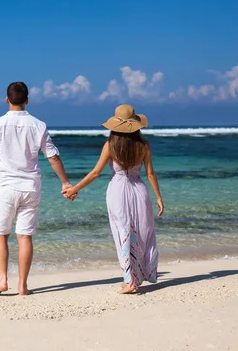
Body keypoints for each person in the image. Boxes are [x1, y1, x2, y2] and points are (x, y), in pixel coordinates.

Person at [0, 82, 72, 296]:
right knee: (25, 237)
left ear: (6, 99)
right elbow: (52, 156)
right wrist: (65, 182)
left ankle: (3, 280)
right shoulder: (38, 125)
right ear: (27, 100)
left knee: (1, 234)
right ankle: (22, 286)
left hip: (6, 187)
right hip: (31, 187)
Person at [62, 104, 163, 294]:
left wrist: (74, 189)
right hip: (139, 190)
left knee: (122, 232)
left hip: (118, 191)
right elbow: (150, 174)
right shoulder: (144, 146)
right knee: (142, 232)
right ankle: (138, 275)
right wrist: (158, 197)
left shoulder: (110, 145)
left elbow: (95, 173)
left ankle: (129, 280)